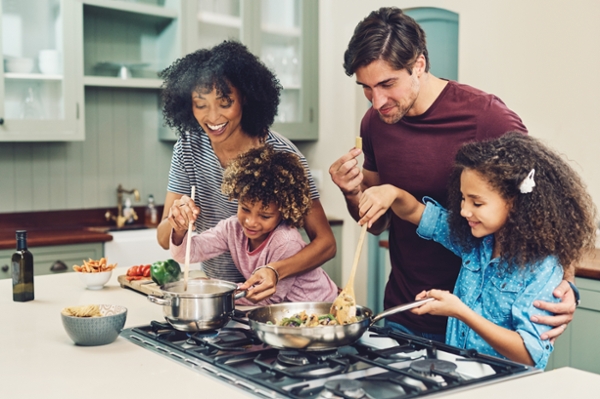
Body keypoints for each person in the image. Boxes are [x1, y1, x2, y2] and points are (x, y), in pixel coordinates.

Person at [329, 7, 577, 342]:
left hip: (485, 326)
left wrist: (567, 284)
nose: (377, 101)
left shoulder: (487, 117)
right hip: (406, 312)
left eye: (387, 84)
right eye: (366, 88)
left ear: (419, 65)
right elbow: (377, 225)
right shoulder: (375, 123)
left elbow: (548, 205)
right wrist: (351, 192)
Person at [358, 133, 597, 369]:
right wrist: (392, 192)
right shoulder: (473, 241)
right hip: (459, 376)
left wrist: (461, 312)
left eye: (477, 202)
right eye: (462, 198)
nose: (464, 210)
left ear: (514, 202)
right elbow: (415, 212)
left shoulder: (542, 268)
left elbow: (528, 353)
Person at [157, 40, 336, 302]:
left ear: (246, 99)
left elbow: (326, 244)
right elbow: (165, 239)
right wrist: (178, 222)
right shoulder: (188, 148)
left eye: (225, 102)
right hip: (224, 296)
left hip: (273, 300)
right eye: (201, 104)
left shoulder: (282, 156)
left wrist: (274, 271)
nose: (213, 116)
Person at [169, 145, 338, 305]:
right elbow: (186, 254)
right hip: (284, 310)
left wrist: (213, 288)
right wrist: (180, 229)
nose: (251, 222)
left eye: (265, 216)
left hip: (318, 305)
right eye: (245, 209)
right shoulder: (232, 228)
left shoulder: (285, 242)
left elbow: (268, 298)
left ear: (283, 212)